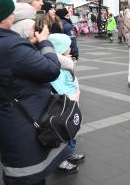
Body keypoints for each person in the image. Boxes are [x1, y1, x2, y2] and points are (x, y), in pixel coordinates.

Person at [0, 0, 70, 185]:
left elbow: (4, 73)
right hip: (26, 123)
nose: (13, 14)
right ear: (2, 17)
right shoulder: (11, 46)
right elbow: (51, 70)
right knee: (30, 177)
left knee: (21, 173)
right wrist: (44, 43)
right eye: (10, 11)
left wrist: (32, 44)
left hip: (6, 118)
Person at [48, 33, 85, 173]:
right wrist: (71, 97)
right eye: (68, 46)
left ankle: (70, 152)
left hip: (72, 101)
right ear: (61, 49)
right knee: (62, 131)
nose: (70, 48)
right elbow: (59, 85)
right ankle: (60, 160)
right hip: (65, 103)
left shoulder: (64, 61)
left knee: (71, 129)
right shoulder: (55, 65)